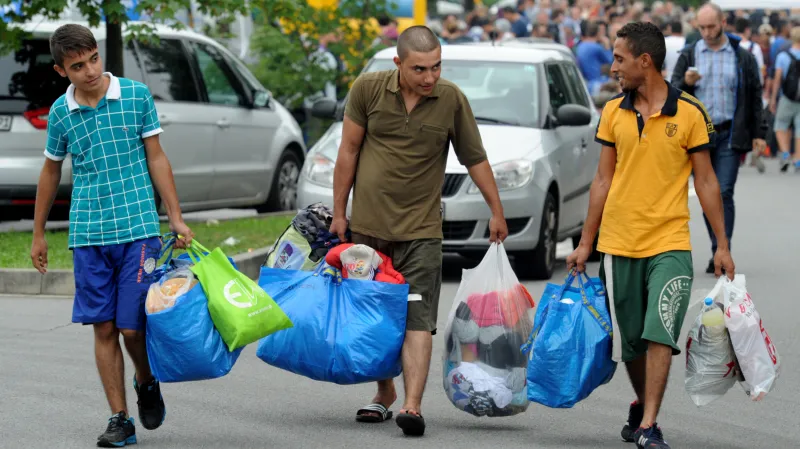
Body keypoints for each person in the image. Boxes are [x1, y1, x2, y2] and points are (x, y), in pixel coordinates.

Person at [328, 25, 508, 437]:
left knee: (418, 318)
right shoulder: (368, 90)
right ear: (398, 64)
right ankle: (385, 392)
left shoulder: (450, 100)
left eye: (436, 67)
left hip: (422, 231)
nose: (430, 77)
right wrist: (340, 213)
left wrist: (496, 210)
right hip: (368, 231)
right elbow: (348, 150)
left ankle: (412, 405)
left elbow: (475, 158)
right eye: (420, 69)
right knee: (375, 318)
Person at [568, 22, 735, 449]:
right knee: (632, 343)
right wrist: (586, 243)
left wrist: (722, 245)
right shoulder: (613, 111)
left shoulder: (690, 112)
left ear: (645, 61)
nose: (613, 67)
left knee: (661, 329)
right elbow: (602, 180)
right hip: (618, 242)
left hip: (669, 242)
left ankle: (649, 424)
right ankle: (643, 403)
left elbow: (707, 182)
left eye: (619, 59)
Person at [29, 24, 194, 448]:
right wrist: (38, 233)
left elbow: (156, 158)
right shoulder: (61, 113)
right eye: (77, 66)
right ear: (61, 70)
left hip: (138, 229)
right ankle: (120, 419)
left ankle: (146, 379)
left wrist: (175, 217)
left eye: (93, 60)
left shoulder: (135, 96)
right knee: (103, 329)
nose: (89, 71)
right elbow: (50, 172)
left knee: (132, 328)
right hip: (88, 234)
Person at [671, 2, 765, 275]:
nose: (707, 32)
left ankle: (721, 249)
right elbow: (672, 92)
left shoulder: (741, 56)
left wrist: (759, 133)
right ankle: (719, 247)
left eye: (711, 26)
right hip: (698, 136)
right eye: (702, 27)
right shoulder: (689, 54)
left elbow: (754, 94)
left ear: (723, 23)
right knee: (706, 192)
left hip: (729, 133)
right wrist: (686, 83)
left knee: (723, 191)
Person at [769, 26, 800, 172]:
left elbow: (777, 79)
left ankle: (786, 153)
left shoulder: (783, 56)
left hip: (786, 97)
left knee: (780, 125)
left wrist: (773, 98)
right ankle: (798, 159)